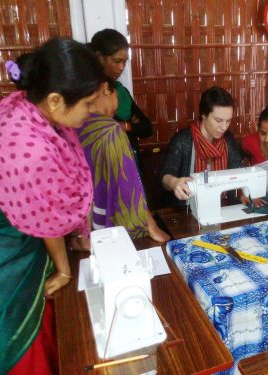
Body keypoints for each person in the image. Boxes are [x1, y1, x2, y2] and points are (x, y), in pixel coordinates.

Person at [0, 38, 104, 375]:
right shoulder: (31, 149)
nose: (93, 110)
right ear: (55, 100)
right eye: (89, 103)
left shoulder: (27, 105)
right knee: (23, 339)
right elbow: (47, 217)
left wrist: (79, 233)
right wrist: (64, 269)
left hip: (17, 232)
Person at [77, 78, 170, 242]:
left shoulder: (75, 124)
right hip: (110, 232)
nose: (117, 108)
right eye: (118, 98)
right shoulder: (110, 130)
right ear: (106, 88)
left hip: (80, 227)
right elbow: (128, 185)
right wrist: (150, 225)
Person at [161, 86, 243, 203]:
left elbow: (237, 169)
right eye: (219, 120)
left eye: (228, 121)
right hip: (188, 208)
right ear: (204, 114)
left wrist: (243, 193)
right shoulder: (183, 140)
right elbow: (166, 174)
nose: (224, 127)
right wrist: (174, 182)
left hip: (222, 205)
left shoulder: (228, 139)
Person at [89, 28, 152, 157]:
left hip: (129, 156)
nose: (121, 68)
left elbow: (146, 128)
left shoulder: (121, 90)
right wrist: (129, 125)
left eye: (124, 62)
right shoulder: (86, 93)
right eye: (117, 61)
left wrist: (124, 126)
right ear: (100, 57)